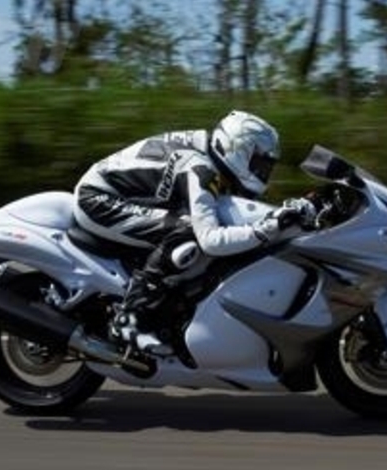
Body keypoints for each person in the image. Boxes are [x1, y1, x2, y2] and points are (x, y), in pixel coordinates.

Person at [72, 110, 317, 348]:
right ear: (238, 149)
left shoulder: (211, 155)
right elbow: (211, 240)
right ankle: (130, 319)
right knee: (187, 231)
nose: (263, 172)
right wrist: (266, 229)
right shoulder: (201, 168)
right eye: (259, 162)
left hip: (124, 195)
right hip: (97, 198)